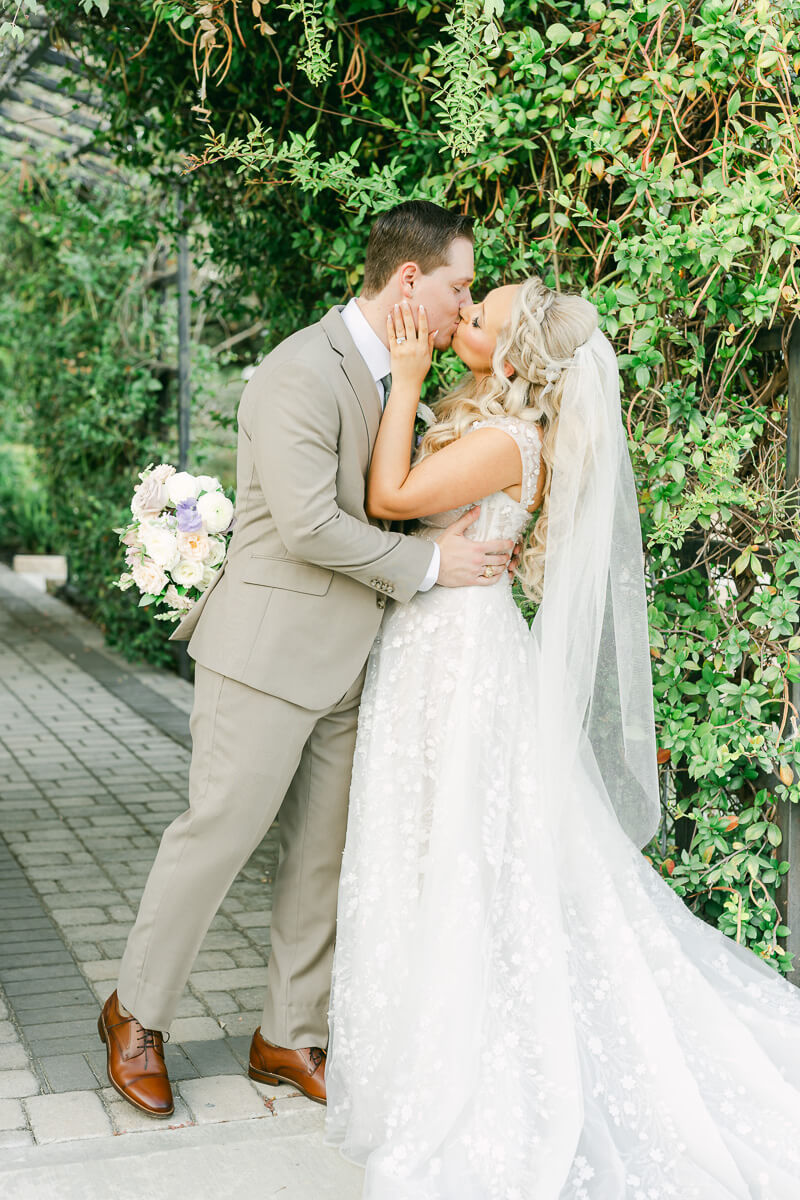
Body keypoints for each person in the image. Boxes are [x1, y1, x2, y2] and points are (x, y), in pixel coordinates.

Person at [325, 278, 800, 1198]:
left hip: (457, 658)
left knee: (463, 848)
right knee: (432, 842)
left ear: (509, 359)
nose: (459, 320)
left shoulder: (506, 442)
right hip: (440, 645)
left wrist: (411, 374)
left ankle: (474, 1050)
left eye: (476, 319)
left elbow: (390, 498)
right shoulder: (491, 421)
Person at [97, 200, 516, 1118]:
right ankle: (135, 1011)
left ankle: (287, 1034)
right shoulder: (297, 371)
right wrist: (435, 563)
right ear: (411, 281)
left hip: (356, 659)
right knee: (218, 837)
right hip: (265, 654)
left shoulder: (406, 375)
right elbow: (310, 525)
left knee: (322, 856)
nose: (464, 304)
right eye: (459, 286)